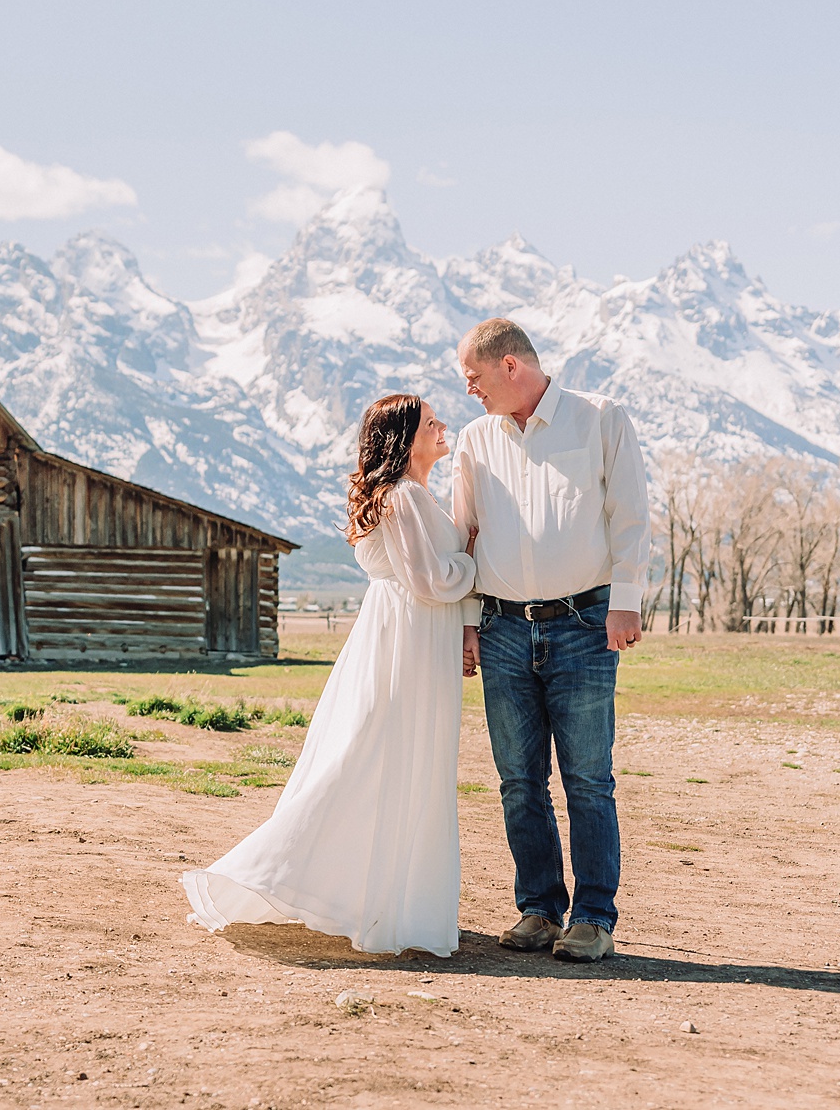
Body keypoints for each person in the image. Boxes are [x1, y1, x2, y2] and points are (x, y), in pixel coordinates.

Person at [183, 394, 477, 956]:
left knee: (398, 758)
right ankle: (297, 873)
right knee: (382, 755)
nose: (443, 427)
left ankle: (384, 896)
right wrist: (472, 560)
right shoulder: (405, 495)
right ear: (406, 438)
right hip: (408, 637)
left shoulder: (415, 495)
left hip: (410, 635)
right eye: (431, 422)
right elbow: (426, 578)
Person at [454, 317, 649, 963]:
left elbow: (631, 514)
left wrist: (625, 602)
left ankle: (593, 916)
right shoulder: (476, 441)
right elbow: (466, 536)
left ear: (511, 367)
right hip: (506, 627)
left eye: (475, 378)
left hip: (585, 624)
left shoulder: (599, 418)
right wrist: (469, 623)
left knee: (589, 777)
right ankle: (539, 906)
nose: (471, 392)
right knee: (519, 779)